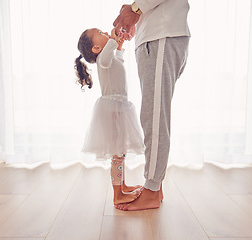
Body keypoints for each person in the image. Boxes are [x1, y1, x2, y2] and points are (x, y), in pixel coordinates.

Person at [113, 0, 191, 211]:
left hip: (161, 36)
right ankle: (154, 187)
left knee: (154, 117)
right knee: (154, 114)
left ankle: (152, 191)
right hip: (156, 37)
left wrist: (135, 9)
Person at [75, 28, 145, 205]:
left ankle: (122, 185)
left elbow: (118, 62)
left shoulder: (108, 58)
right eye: (100, 32)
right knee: (117, 153)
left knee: (120, 151)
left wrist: (119, 46)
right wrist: (113, 41)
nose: (106, 32)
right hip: (113, 110)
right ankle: (117, 194)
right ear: (97, 48)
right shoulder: (102, 60)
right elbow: (107, 59)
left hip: (120, 107)